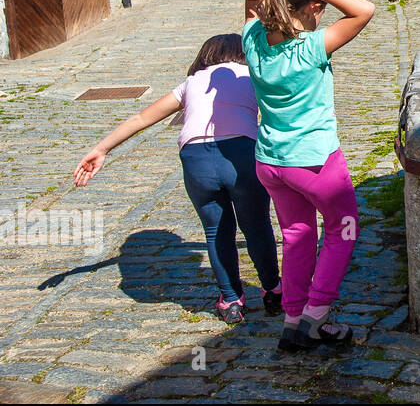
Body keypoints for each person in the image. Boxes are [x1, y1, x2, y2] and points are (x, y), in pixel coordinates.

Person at [73, 35, 281, 325]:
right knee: (256, 225)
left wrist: (101, 149)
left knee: (215, 231)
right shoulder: (250, 75)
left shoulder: (191, 82)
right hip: (241, 155)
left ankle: (231, 299)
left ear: (204, 56)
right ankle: (274, 291)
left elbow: (140, 119)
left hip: (196, 159)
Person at [242, 0, 375, 352]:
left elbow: (252, 9)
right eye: (321, 3)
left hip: (270, 163)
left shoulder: (254, 41)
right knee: (343, 228)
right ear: (314, 5)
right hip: (314, 162)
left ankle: (292, 320)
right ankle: (317, 318)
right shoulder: (311, 49)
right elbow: (365, 9)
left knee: (297, 236)